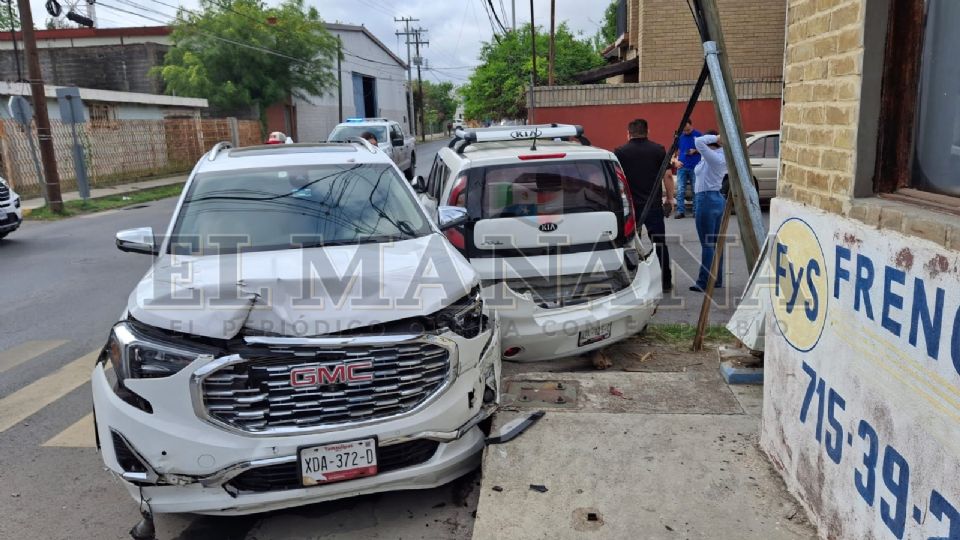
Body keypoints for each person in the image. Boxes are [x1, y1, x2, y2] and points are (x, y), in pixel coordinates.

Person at [614, 118, 675, 293]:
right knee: (659, 244)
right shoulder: (658, 150)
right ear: (648, 131)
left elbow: (616, 180)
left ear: (629, 133)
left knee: (630, 245)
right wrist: (670, 199)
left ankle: (633, 282)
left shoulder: (620, 152)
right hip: (653, 205)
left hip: (631, 208)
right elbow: (668, 176)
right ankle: (665, 282)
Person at [690, 130, 728, 293]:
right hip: (716, 198)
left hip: (706, 199)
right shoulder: (717, 156)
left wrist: (717, 138)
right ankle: (716, 279)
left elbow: (698, 142)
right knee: (715, 243)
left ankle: (704, 282)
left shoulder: (715, 157)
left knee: (707, 244)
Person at [675, 119, 702, 219]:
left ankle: (696, 211)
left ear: (692, 126)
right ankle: (680, 211)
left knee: (696, 189)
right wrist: (676, 161)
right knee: (680, 190)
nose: (686, 132)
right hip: (682, 166)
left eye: (688, 130)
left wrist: (695, 150)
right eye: (684, 130)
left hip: (695, 167)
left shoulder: (698, 135)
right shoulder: (679, 136)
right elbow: (675, 151)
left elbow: (706, 150)